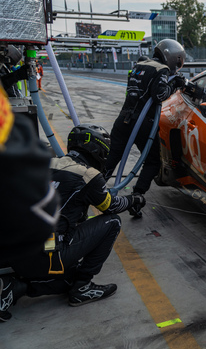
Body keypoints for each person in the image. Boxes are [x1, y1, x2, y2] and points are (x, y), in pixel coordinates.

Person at [0, 124, 146, 321]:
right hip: (47, 257)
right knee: (112, 222)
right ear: (99, 150)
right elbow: (110, 207)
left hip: (15, 255)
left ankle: (14, 287)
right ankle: (83, 286)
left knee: (66, 277)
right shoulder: (88, 175)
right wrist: (134, 200)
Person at [104, 39, 188, 217]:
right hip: (142, 123)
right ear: (173, 57)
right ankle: (137, 198)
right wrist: (176, 84)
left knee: (111, 159)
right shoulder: (161, 69)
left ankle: (89, 193)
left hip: (123, 120)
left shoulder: (139, 64)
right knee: (152, 161)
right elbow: (159, 94)